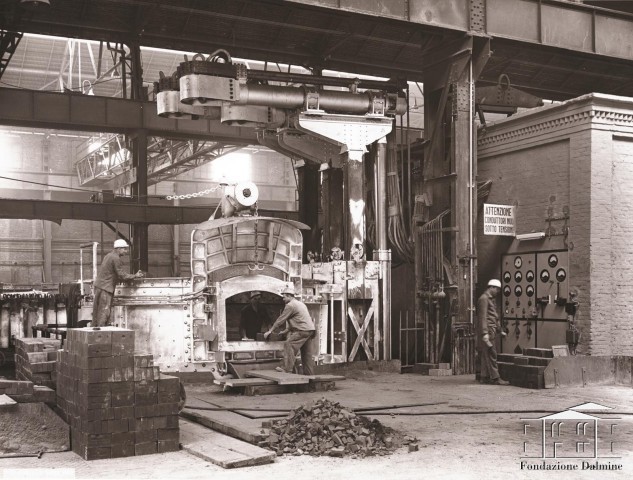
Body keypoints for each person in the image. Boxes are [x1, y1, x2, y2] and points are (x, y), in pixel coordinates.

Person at [264, 285, 316, 375]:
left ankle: (287, 368)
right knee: (306, 355)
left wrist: (270, 331)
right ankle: (309, 376)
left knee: (289, 344)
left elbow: (281, 319)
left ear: (289, 296)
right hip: (310, 331)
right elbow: (299, 320)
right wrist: (285, 331)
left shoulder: (290, 305)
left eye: (284, 297)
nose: (283, 299)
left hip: (301, 331)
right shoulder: (300, 304)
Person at [92, 239, 144, 327]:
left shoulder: (108, 256)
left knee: (97, 312)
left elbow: (112, 272)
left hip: (100, 286)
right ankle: (101, 332)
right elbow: (121, 275)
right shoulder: (116, 258)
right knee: (104, 311)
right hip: (106, 288)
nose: (126, 251)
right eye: (124, 249)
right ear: (119, 248)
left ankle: (95, 329)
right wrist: (135, 276)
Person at [476, 278, 509, 385]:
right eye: (497, 289)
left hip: (492, 330)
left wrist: (500, 330)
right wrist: (484, 333)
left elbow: (494, 316)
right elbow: (482, 317)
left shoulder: (490, 299)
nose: (498, 292)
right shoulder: (484, 299)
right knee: (492, 354)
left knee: (486, 353)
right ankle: (495, 378)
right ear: (492, 287)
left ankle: (484, 377)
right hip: (488, 331)